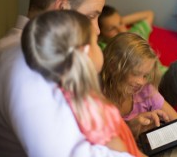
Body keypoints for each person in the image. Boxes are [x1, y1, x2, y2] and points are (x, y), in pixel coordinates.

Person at [0, 0, 135, 156]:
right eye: (91, 16)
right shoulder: (25, 65)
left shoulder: (31, 53)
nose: (97, 30)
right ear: (62, 8)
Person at [21, 10, 144, 156]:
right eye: (96, 43)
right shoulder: (90, 108)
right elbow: (122, 151)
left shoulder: (70, 97)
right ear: (85, 51)